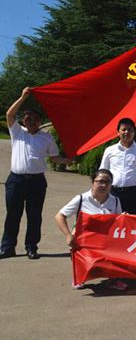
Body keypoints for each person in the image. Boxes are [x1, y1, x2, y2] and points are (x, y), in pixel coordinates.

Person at [2, 87, 71, 260]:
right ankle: (7, 248)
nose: (31, 121)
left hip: (36, 182)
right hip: (16, 180)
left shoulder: (46, 138)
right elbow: (10, 114)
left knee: (34, 216)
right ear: (23, 120)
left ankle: (31, 247)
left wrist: (67, 160)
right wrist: (22, 97)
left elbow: (54, 157)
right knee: (13, 214)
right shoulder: (18, 132)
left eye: (35, 118)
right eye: (28, 118)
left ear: (40, 121)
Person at [54, 169, 125, 290]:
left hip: (106, 239)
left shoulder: (115, 201)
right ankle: (79, 276)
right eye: (100, 181)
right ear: (93, 182)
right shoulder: (81, 199)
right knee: (84, 264)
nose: (104, 185)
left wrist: (128, 218)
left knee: (119, 246)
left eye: (108, 182)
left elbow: (119, 221)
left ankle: (113, 278)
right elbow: (59, 216)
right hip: (84, 240)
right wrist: (68, 235)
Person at [99, 117, 136, 215]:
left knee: (130, 220)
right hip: (113, 192)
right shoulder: (110, 150)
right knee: (111, 219)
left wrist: (135, 182)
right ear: (118, 132)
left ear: (134, 132)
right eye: (123, 129)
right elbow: (103, 171)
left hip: (132, 193)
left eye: (130, 130)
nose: (126, 132)